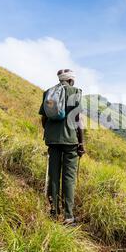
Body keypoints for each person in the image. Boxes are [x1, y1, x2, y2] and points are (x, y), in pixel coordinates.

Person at [39, 69, 85, 226]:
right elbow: (78, 120)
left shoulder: (48, 92)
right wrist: (81, 143)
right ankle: (68, 216)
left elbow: (44, 118)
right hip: (70, 141)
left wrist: (50, 134)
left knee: (53, 175)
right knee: (68, 177)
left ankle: (53, 212)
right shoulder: (74, 92)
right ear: (71, 80)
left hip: (52, 140)